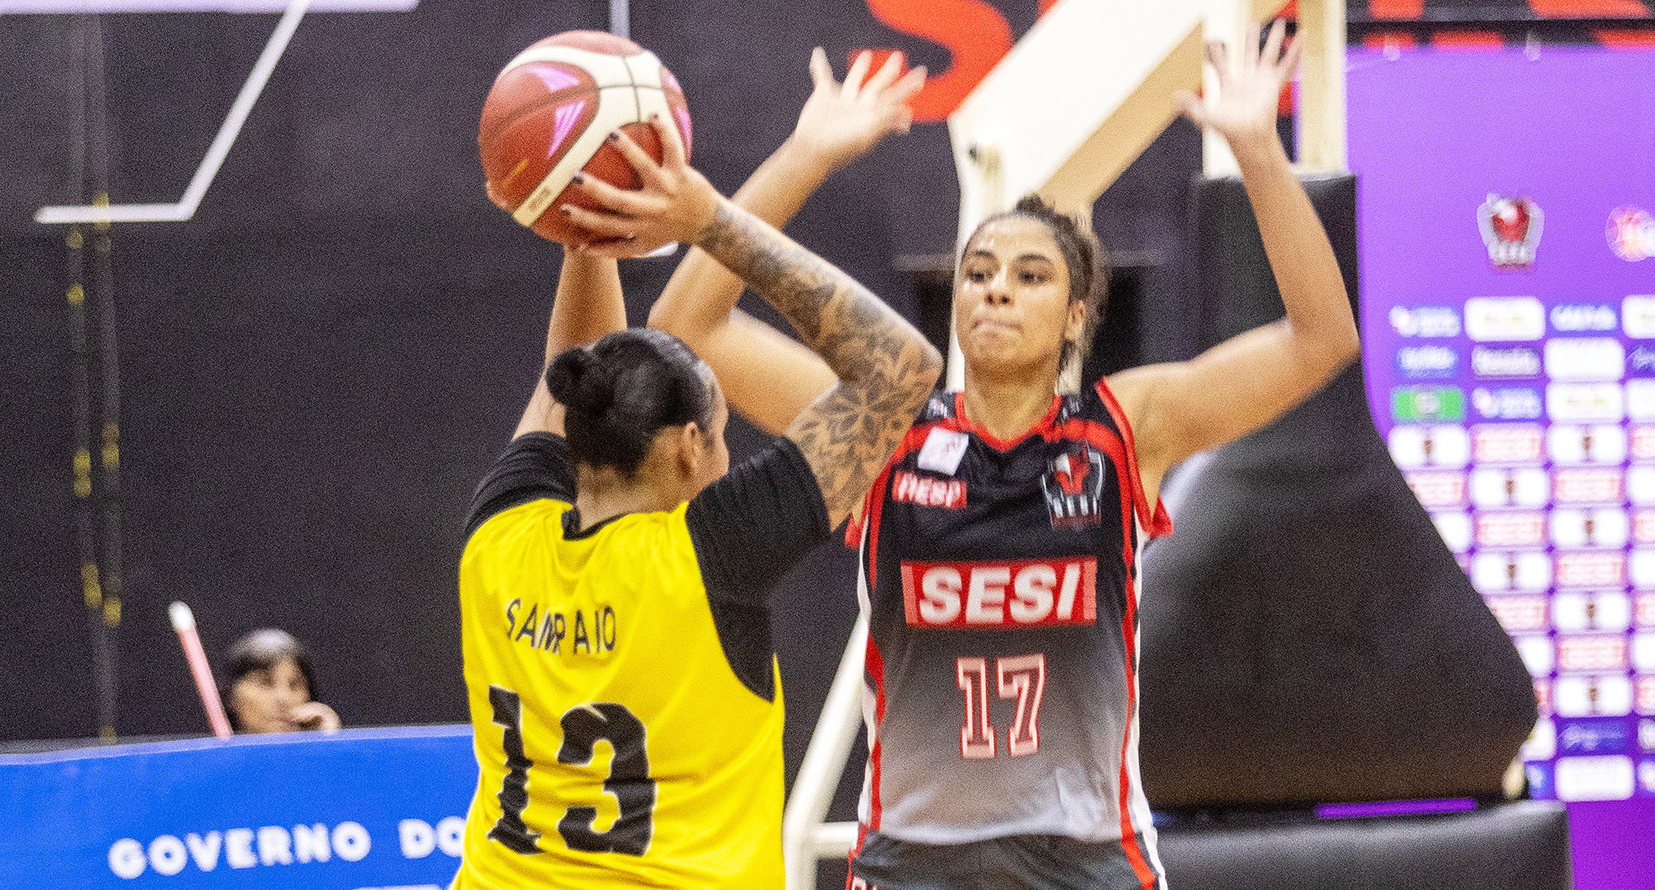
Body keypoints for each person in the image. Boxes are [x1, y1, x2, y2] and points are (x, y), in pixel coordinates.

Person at [648, 23, 1361, 890]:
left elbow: (1322, 338)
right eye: (980, 271)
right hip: (914, 861)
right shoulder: (883, 431)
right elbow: (687, 328)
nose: (996, 288)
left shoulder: (1125, 429)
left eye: (1031, 276)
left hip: (1085, 859)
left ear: (1075, 318)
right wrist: (807, 155)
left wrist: (1258, 151)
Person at [451, 51, 939, 890]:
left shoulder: (499, 536)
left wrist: (583, 223)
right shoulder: (711, 554)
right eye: (720, 432)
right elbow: (900, 368)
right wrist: (707, 218)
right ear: (687, 447)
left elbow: (581, 361)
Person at [219, 628, 341, 734]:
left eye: (294, 685)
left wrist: (328, 743)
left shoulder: (325, 745)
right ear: (231, 696)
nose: (284, 698)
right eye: (265, 683)